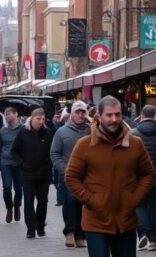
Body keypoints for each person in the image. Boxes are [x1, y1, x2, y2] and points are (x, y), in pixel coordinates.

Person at [65, 95, 156, 257]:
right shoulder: (85, 145)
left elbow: (147, 174)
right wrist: (91, 199)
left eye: (117, 114)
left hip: (126, 220)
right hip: (96, 221)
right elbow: (71, 177)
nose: (114, 119)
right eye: (109, 115)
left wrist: (134, 199)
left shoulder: (135, 144)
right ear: (99, 117)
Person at [51, 100, 91, 248]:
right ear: (71, 114)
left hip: (87, 175)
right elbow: (54, 153)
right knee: (70, 201)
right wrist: (64, 169)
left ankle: (81, 235)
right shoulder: (62, 132)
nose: (80, 115)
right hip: (68, 174)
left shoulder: (91, 130)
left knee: (83, 203)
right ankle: (69, 232)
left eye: (83, 112)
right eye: (77, 112)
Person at [11, 107, 54, 239]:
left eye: (42, 119)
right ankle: (30, 228)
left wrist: (49, 164)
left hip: (43, 173)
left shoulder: (47, 133)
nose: (40, 121)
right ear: (32, 118)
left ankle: (40, 225)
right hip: (28, 173)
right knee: (28, 201)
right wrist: (22, 163)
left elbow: (53, 151)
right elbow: (14, 151)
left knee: (42, 201)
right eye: (38, 119)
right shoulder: (23, 132)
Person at [131, 104, 156, 252]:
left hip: (137, 178)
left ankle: (144, 234)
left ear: (141, 115)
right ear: (154, 115)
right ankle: (153, 241)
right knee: (154, 209)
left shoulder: (132, 133)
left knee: (139, 206)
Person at [0, 106, 24, 224]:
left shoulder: (23, 129)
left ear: (15, 114)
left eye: (8, 114)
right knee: (7, 187)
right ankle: (9, 208)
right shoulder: (2, 131)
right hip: (5, 162)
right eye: (5, 115)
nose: (6, 117)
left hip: (18, 163)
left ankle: (17, 206)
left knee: (18, 188)